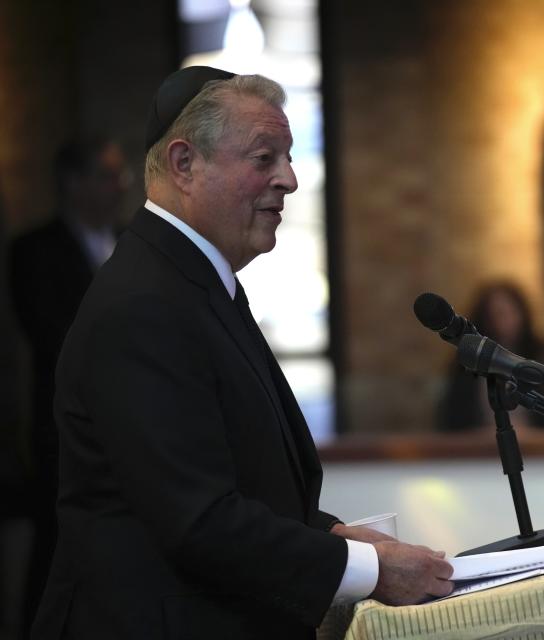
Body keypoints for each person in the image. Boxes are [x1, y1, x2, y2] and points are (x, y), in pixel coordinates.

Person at [32, 67, 452, 640]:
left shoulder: (194, 282)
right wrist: (369, 570)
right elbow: (198, 520)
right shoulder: (143, 303)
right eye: (263, 158)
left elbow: (243, 482)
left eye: (289, 156)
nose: (290, 180)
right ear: (185, 164)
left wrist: (331, 538)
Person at [9, 135, 130, 635]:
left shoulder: (131, 242)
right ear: (73, 183)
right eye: (107, 175)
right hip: (63, 425)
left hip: (129, 425)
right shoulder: (34, 250)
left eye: (121, 174)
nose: (120, 187)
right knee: (56, 547)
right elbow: (50, 332)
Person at [438, 281, 544, 431]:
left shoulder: (540, 358)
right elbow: (454, 421)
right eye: (499, 314)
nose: (507, 321)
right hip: (483, 448)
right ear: (485, 319)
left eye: (512, 312)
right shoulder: (467, 367)